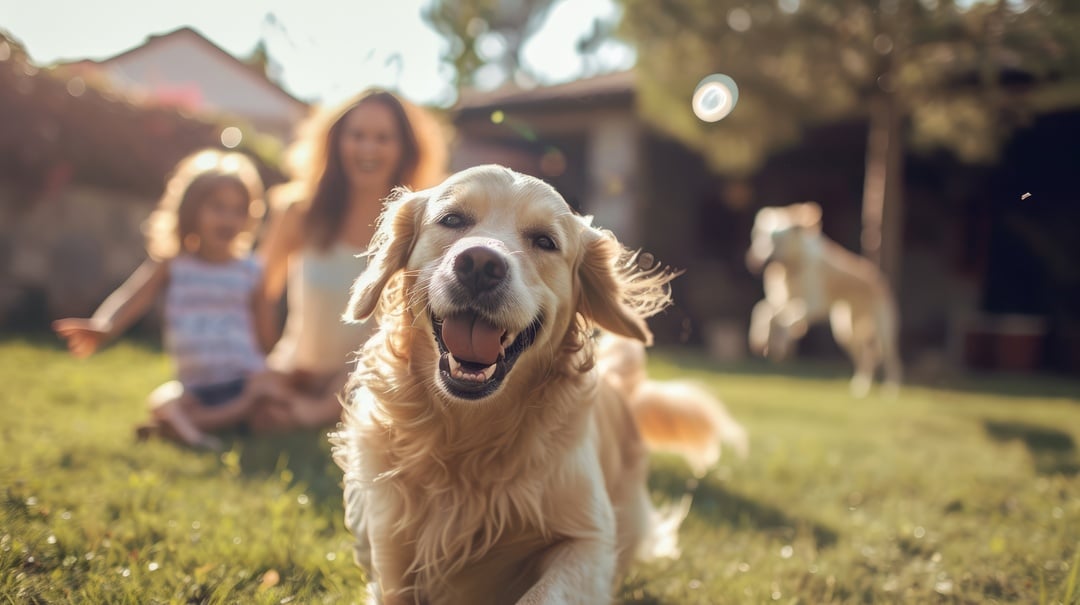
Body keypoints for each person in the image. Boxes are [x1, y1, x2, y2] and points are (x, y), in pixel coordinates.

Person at [53, 148, 280, 449]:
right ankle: (198, 429)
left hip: (242, 377)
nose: (229, 218)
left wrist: (272, 368)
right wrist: (104, 326)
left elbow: (266, 332)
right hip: (195, 385)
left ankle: (182, 428)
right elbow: (134, 296)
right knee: (162, 400)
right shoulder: (175, 264)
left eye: (239, 210)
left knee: (266, 400)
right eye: (218, 207)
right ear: (191, 210)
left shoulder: (250, 269)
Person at [251, 88, 447, 432]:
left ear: (405, 149)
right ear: (336, 142)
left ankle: (316, 413)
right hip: (294, 370)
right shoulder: (299, 210)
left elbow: (410, 331)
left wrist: (326, 402)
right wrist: (263, 359)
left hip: (369, 379)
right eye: (356, 136)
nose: (367, 149)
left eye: (383, 138)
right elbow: (259, 291)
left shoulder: (421, 229)